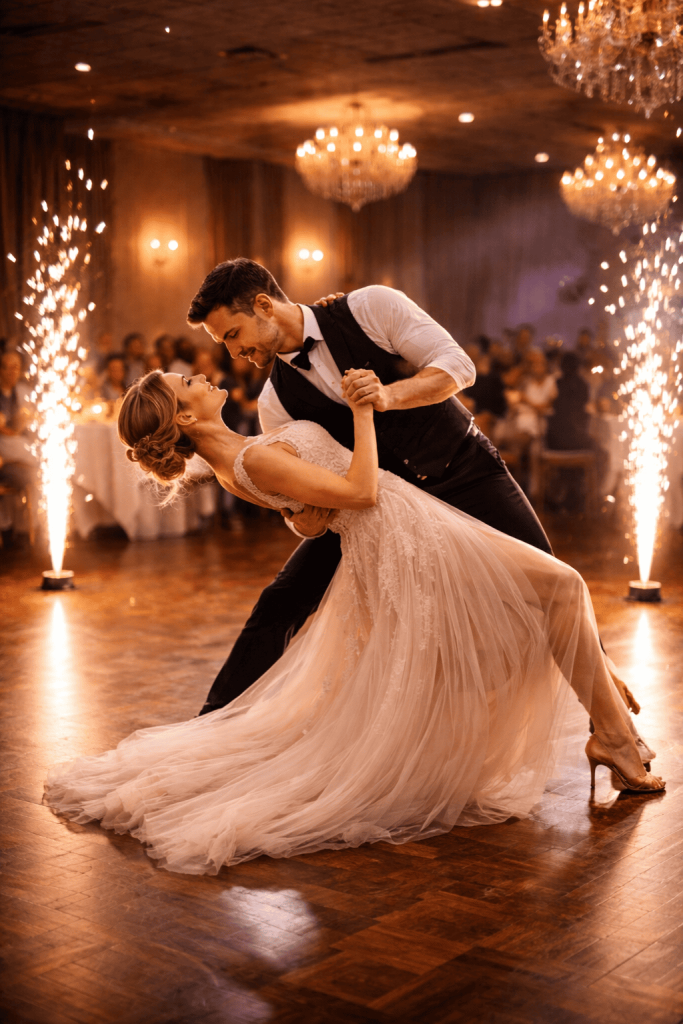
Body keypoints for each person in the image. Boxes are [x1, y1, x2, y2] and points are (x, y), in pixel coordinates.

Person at [43, 368, 664, 876]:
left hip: (409, 527)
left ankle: (603, 735)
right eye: (186, 382)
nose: (201, 372)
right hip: (402, 533)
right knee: (562, 586)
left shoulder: (241, 456)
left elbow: (310, 515)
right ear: (183, 417)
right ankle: (611, 740)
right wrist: (363, 411)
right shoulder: (251, 461)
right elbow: (363, 492)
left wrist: (303, 511)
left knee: (532, 612)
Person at [184, 259, 553, 716]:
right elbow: (302, 496)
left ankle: (611, 727)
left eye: (233, 334)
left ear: (263, 305)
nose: (233, 351)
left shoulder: (370, 307)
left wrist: (389, 396)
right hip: (378, 507)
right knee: (282, 598)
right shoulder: (273, 402)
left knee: (553, 585)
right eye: (224, 343)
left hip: (462, 467)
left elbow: (459, 366)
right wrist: (306, 524)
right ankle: (212, 721)